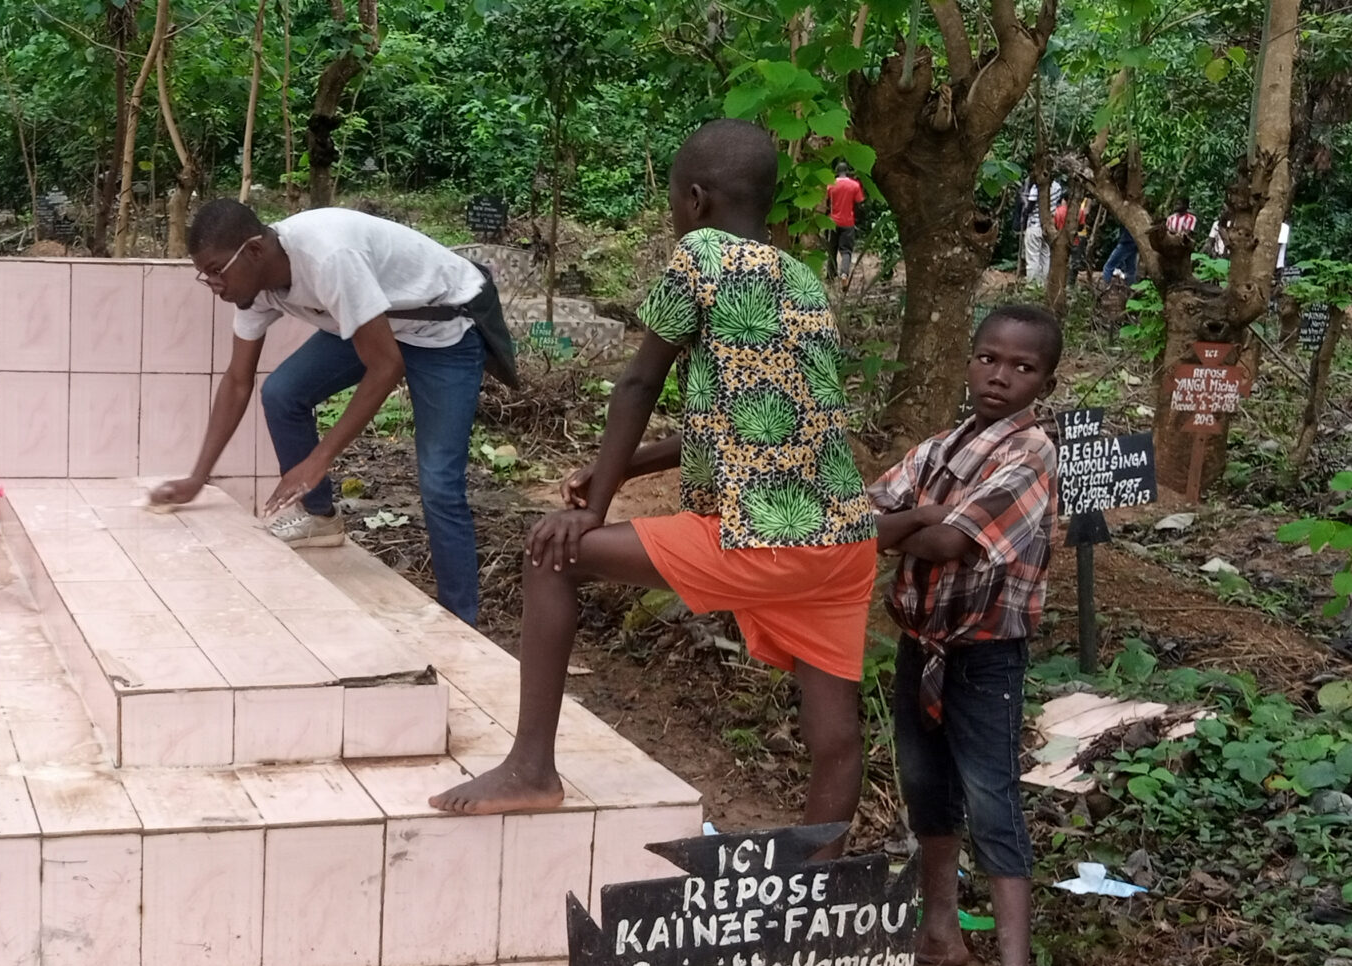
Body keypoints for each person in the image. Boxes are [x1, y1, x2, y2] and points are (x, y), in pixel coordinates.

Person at [427, 120, 876, 821]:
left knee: (552, 557)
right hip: (845, 542)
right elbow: (759, 421)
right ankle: (819, 875)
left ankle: (530, 769)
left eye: (673, 200)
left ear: (695, 199)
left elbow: (639, 383)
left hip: (764, 538)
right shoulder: (801, 280)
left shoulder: (701, 254)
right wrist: (623, 468)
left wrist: (592, 510)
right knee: (836, 736)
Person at [868, 303, 1063, 966]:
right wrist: (926, 515)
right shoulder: (941, 447)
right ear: (969, 359)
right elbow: (860, 516)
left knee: (992, 801)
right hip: (921, 643)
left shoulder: (1033, 453)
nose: (1000, 376)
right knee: (926, 786)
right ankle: (940, 930)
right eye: (988, 358)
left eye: (1021, 367)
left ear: (1045, 381)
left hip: (984, 654)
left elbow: (949, 543)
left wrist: (920, 521)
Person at [151, 199, 492, 623]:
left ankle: (460, 619)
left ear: (254, 250)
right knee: (282, 392)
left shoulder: (329, 257)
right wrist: (197, 478)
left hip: (444, 328)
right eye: (206, 275)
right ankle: (320, 518)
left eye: (218, 270)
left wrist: (318, 459)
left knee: (439, 481)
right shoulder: (256, 288)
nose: (214, 284)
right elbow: (238, 380)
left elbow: (385, 367)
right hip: (374, 320)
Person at [825, 160, 866, 283]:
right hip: (848, 222)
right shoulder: (855, 185)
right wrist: (857, 219)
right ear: (847, 172)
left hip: (832, 222)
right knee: (846, 251)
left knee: (832, 250)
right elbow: (859, 204)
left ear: (837, 173)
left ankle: (830, 277)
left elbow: (827, 204)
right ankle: (844, 274)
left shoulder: (830, 185)